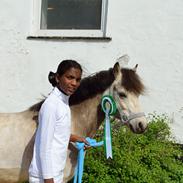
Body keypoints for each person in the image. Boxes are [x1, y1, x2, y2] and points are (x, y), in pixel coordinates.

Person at [29, 60, 88, 183]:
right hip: (45, 178)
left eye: (77, 79)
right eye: (70, 77)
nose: (74, 83)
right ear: (57, 78)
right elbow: (44, 146)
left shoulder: (62, 102)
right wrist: (49, 180)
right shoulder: (51, 105)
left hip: (55, 174)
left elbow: (56, 133)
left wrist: (74, 138)